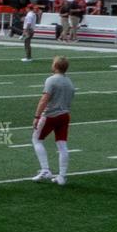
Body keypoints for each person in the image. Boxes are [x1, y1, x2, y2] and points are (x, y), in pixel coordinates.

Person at [33, 56, 74, 185]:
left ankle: (45, 170)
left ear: (55, 66)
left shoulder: (51, 80)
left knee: (36, 140)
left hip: (51, 115)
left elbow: (44, 99)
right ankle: (62, 176)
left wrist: (37, 116)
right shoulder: (69, 81)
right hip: (65, 115)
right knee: (62, 145)